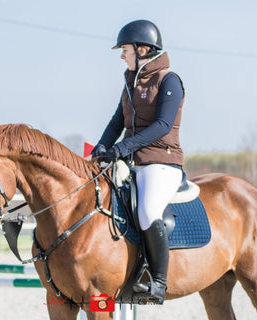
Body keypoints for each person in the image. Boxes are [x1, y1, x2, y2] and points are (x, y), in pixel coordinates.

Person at [92, 19, 185, 304]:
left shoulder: (169, 80)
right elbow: (116, 121)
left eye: (126, 49)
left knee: (146, 211)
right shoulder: (129, 82)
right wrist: (101, 147)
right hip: (132, 161)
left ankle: (158, 281)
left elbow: (162, 125)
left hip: (162, 161)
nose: (122, 55)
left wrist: (122, 148)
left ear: (143, 49)